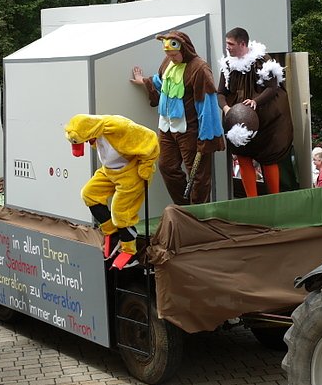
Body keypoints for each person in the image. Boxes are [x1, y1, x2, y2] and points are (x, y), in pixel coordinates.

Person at [131, 31, 224, 205]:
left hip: (190, 130)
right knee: (166, 167)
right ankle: (184, 207)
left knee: (197, 175)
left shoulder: (199, 68)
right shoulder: (168, 62)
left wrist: (206, 137)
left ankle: (199, 214)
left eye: (174, 54)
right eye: (168, 54)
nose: (171, 58)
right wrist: (144, 81)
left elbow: (207, 104)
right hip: (166, 128)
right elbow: (163, 82)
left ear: (184, 49)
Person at [65, 114, 159, 270]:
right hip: (110, 171)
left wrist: (147, 165)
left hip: (130, 172)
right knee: (89, 193)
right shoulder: (94, 132)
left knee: (120, 211)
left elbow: (150, 138)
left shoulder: (119, 127)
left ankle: (130, 251)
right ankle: (113, 234)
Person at [216, 28, 294, 196]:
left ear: (242, 44)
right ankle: (252, 200)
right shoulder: (228, 65)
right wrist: (227, 108)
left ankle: (274, 200)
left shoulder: (262, 60)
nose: (227, 47)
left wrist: (255, 101)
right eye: (226, 43)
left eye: (231, 44)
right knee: (243, 158)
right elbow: (220, 92)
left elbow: (273, 87)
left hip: (266, 121)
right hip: (238, 120)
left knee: (268, 159)